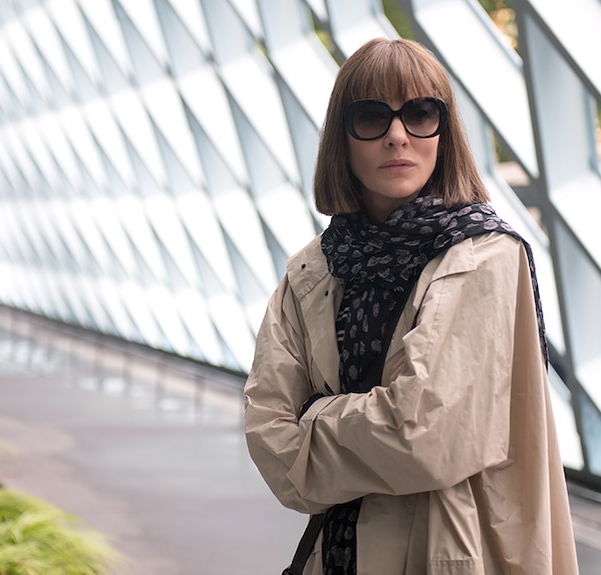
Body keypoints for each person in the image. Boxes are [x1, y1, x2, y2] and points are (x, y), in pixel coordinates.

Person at [243, 38, 578, 575]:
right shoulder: (313, 269)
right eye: (373, 116)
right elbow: (268, 436)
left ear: (443, 132)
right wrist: (378, 419)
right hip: (335, 557)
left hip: (447, 553)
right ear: (342, 139)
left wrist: (315, 415)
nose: (398, 135)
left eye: (421, 113)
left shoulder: (486, 256)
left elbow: (426, 435)